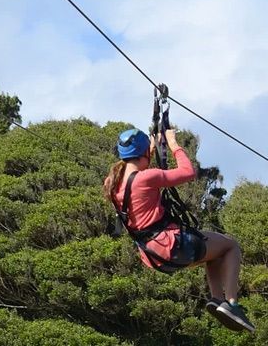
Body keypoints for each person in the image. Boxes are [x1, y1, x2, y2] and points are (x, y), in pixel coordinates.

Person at [103, 128, 255, 332]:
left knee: (213, 253)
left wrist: (149, 149)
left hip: (151, 254)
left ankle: (217, 300)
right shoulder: (146, 178)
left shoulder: (113, 183)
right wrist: (173, 143)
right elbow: (187, 172)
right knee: (230, 246)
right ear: (144, 154)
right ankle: (232, 303)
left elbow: (141, 181)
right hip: (171, 244)